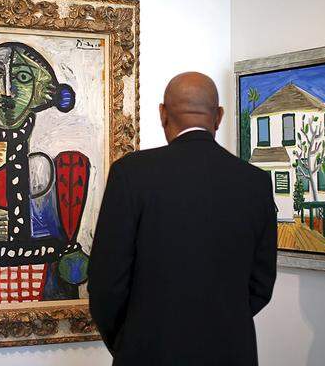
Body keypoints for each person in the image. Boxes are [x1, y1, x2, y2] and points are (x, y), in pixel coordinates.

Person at [88, 72, 277, 366]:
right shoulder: (255, 182)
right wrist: (219, 328)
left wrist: (132, 341)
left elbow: (105, 286)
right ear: (219, 117)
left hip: (148, 353)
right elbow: (261, 284)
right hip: (230, 353)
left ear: (163, 114)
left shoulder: (131, 174)